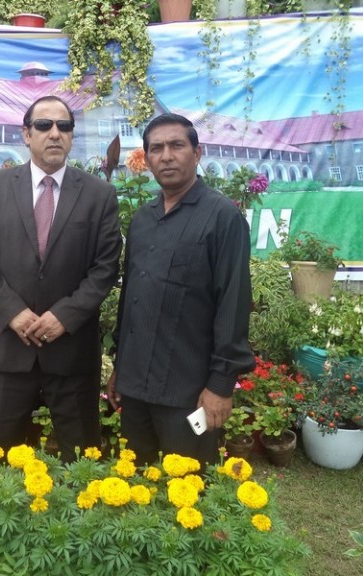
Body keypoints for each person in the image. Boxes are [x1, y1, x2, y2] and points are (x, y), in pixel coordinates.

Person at [0, 95, 122, 461]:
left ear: (71, 135)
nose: (55, 133)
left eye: (64, 126)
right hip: (10, 349)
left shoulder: (99, 195)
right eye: (44, 125)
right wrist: (13, 313)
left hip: (71, 352)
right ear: (27, 134)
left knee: (82, 462)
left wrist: (63, 317)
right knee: (2, 461)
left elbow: (105, 267)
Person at [107, 113, 256, 466]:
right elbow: (131, 299)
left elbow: (233, 303)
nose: (166, 156)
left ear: (197, 153)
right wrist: (120, 366)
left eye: (176, 145)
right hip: (136, 386)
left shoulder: (222, 217)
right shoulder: (143, 219)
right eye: (156, 148)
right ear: (147, 159)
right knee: (135, 480)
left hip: (190, 392)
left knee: (189, 485)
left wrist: (221, 385)